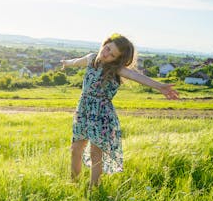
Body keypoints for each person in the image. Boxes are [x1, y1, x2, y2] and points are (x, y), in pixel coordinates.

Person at [60, 33, 179, 188]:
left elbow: (136, 76)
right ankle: (73, 184)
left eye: (112, 54)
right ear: (105, 43)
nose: (107, 53)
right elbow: (76, 61)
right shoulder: (91, 58)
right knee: (76, 148)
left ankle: (93, 189)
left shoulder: (116, 69)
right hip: (83, 110)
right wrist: (66, 63)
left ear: (117, 59)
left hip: (102, 115)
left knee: (96, 154)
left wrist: (160, 86)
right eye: (108, 48)